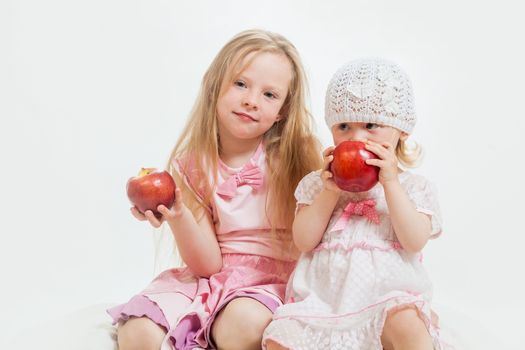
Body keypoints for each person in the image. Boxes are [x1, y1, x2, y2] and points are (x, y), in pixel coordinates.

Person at [107, 29, 322, 350]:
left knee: (242, 324)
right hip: (215, 276)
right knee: (137, 330)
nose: (251, 100)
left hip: (273, 279)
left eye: (270, 95)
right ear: (214, 86)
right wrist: (178, 215)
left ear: (283, 111)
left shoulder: (297, 153)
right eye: (240, 84)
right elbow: (208, 265)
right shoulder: (191, 165)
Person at [263, 59, 450, 350]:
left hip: (386, 300)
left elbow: (414, 242)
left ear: (401, 131)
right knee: (281, 339)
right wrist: (329, 192)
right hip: (323, 304)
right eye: (344, 126)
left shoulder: (412, 188)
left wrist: (390, 185)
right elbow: (303, 240)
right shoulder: (318, 184)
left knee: (407, 326)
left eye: (371, 125)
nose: (355, 138)